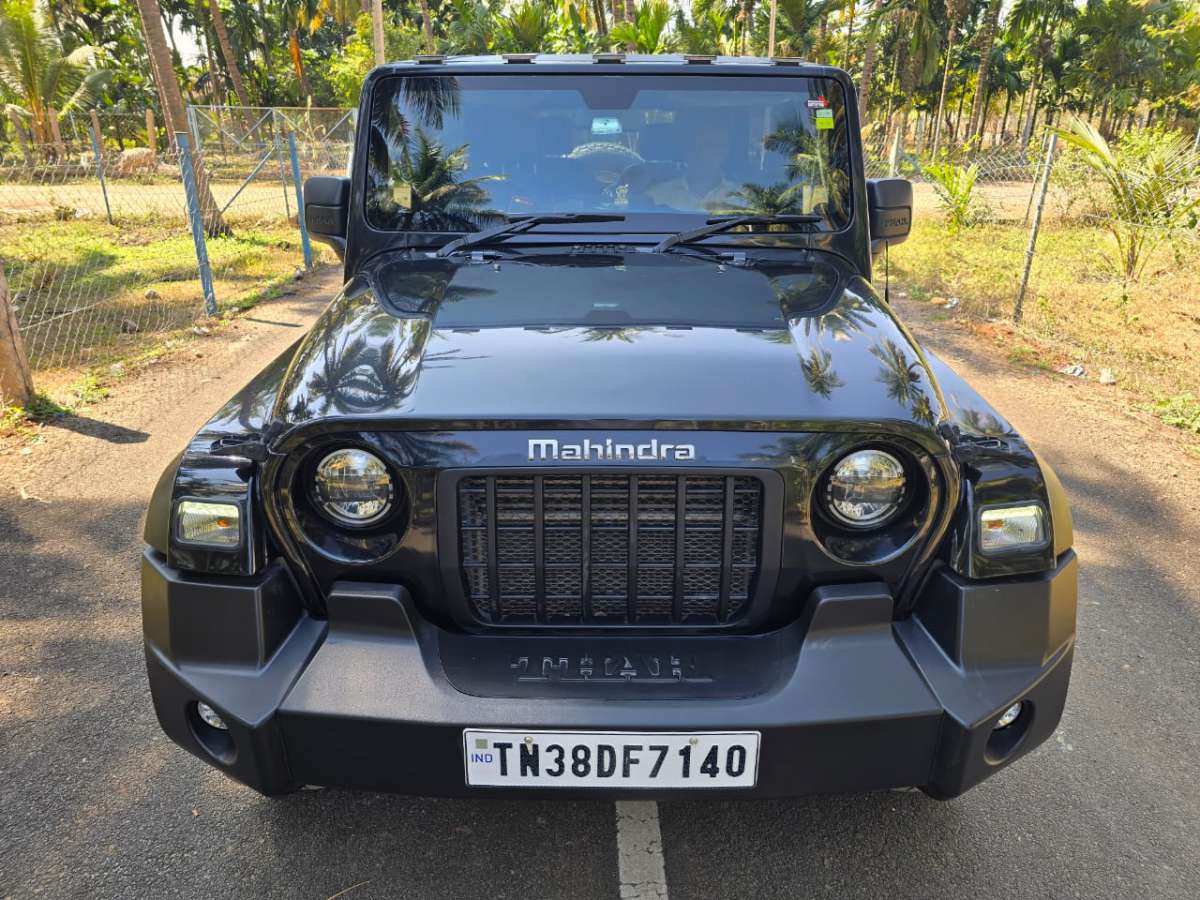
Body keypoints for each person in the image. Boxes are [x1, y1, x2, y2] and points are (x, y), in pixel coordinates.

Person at [645, 110, 740, 212]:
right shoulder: (656, 196)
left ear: (724, 151)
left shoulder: (743, 199)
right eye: (697, 145)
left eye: (710, 145)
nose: (703, 152)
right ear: (686, 151)